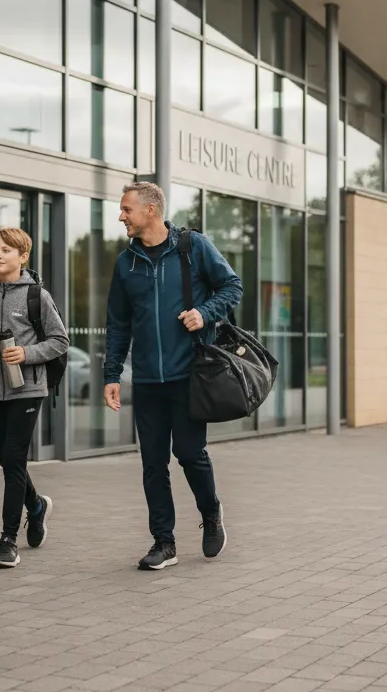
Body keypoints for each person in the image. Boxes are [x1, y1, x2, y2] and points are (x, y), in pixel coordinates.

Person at [105, 182, 243, 571]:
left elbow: (232, 286)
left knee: (189, 453)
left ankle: (211, 511)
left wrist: (205, 312)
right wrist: (112, 373)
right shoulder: (125, 263)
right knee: (153, 464)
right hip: (147, 380)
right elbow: (117, 323)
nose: (121, 216)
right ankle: (164, 543)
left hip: (188, 376)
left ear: (151, 210)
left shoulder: (192, 247)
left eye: (126, 209)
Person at [0, 227, 68, 569]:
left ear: (22, 256)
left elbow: (60, 341)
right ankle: (35, 506)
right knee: (8, 461)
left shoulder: (37, 296)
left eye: (6, 250)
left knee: (14, 460)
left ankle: (8, 540)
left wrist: (26, 352)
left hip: (28, 390)